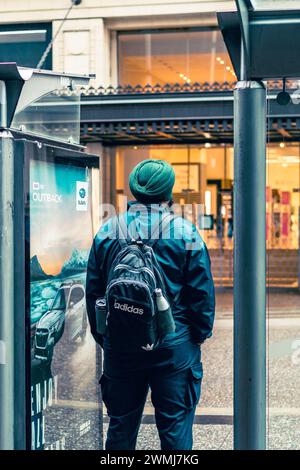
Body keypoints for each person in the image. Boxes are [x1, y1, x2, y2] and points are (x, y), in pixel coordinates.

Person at [86, 159, 215, 450]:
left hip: (120, 347)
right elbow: (202, 297)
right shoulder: (186, 233)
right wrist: (195, 337)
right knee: (175, 430)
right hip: (174, 348)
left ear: (134, 190)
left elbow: (94, 293)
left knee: (120, 428)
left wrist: (107, 337)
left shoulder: (107, 231)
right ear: (170, 192)